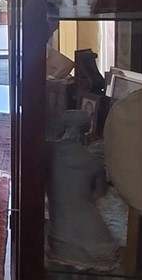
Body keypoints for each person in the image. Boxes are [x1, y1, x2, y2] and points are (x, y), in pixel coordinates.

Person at [46, 109, 119, 271]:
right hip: (95, 241)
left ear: (61, 127)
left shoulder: (46, 151)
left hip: (58, 236)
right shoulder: (94, 161)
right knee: (108, 254)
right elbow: (99, 194)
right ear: (85, 132)